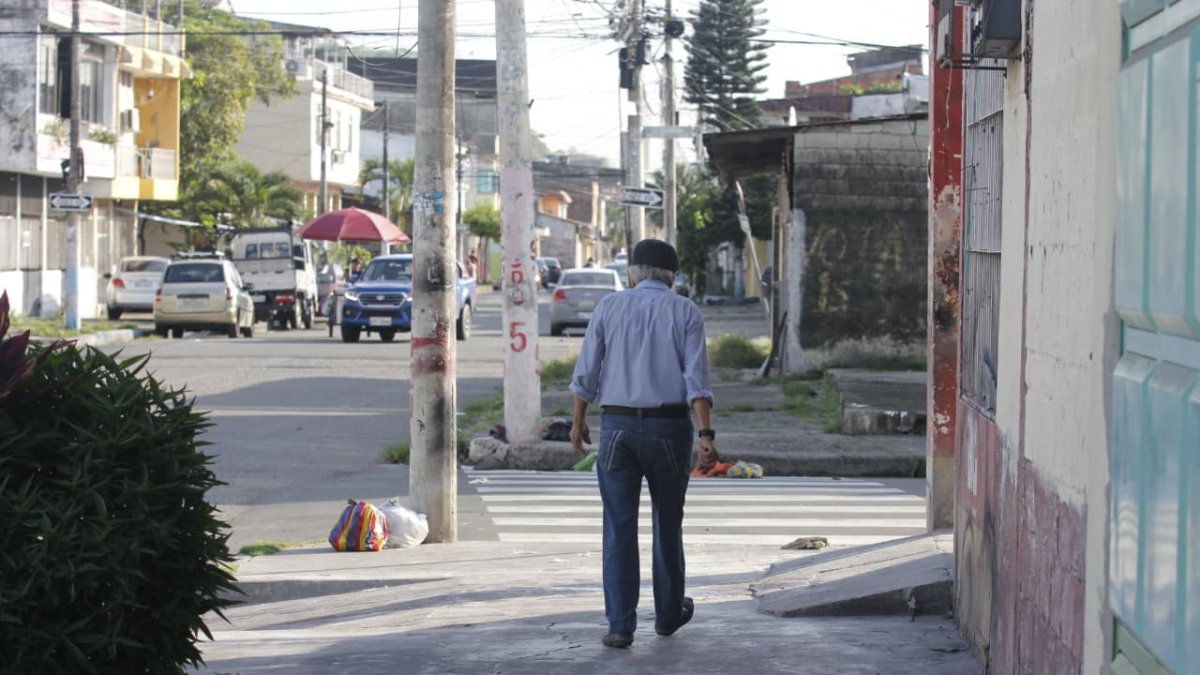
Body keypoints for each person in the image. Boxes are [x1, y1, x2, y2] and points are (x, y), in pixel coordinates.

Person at [569, 238, 716, 649]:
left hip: (615, 428)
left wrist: (578, 421)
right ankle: (668, 615)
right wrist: (706, 436)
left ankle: (620, 625)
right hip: (669, 428)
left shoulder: (609, 307)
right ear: (673, 276)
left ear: (632, 273)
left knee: (618, 527)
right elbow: (696, 382)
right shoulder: (686, 311)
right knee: (668, 524)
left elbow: (586, 372)